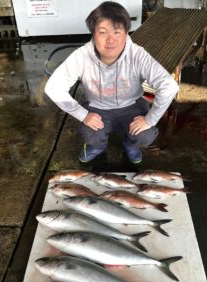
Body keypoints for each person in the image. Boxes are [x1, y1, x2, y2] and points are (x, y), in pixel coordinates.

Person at [45, 1, 179, 164]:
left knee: (146, 134)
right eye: (103, 32)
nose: (111, 40)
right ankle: (97, 147)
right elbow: (53, 88)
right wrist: (83, 114)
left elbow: (169, 86)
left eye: (117, 32)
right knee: (89, 132)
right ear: (93, 33)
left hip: (132, 105)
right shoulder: (81, 56)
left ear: (126, 33)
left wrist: (149, 120)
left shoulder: (137, 55)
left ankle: (131, 145)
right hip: (97, 107)